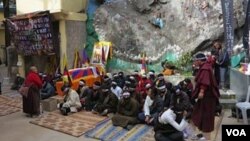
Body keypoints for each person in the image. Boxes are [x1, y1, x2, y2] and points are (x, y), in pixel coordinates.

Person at [191, 53, 220, 140]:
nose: (195, 62)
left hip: (207, 98)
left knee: (206, 118)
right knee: (199, 115)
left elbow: (205, 82)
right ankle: (203, 135)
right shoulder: (205, 66)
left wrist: (201, 92)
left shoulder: (205, 68)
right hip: (205, 98)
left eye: (195, 60)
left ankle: (207, 138)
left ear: (200, 61)